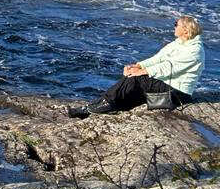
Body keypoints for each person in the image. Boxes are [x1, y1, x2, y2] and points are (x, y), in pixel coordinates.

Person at [68, 15, 205, 117]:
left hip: (178, 92)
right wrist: (138, 66)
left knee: (136, 80)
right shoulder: (179, 43)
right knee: (131, 84)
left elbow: (169, 67)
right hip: (167, 84)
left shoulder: (195, 50)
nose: (174, 26)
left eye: (176, 24)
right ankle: (98, 107)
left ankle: (99, 105)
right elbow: (158, 58)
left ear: (186, 31)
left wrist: (143, 72)